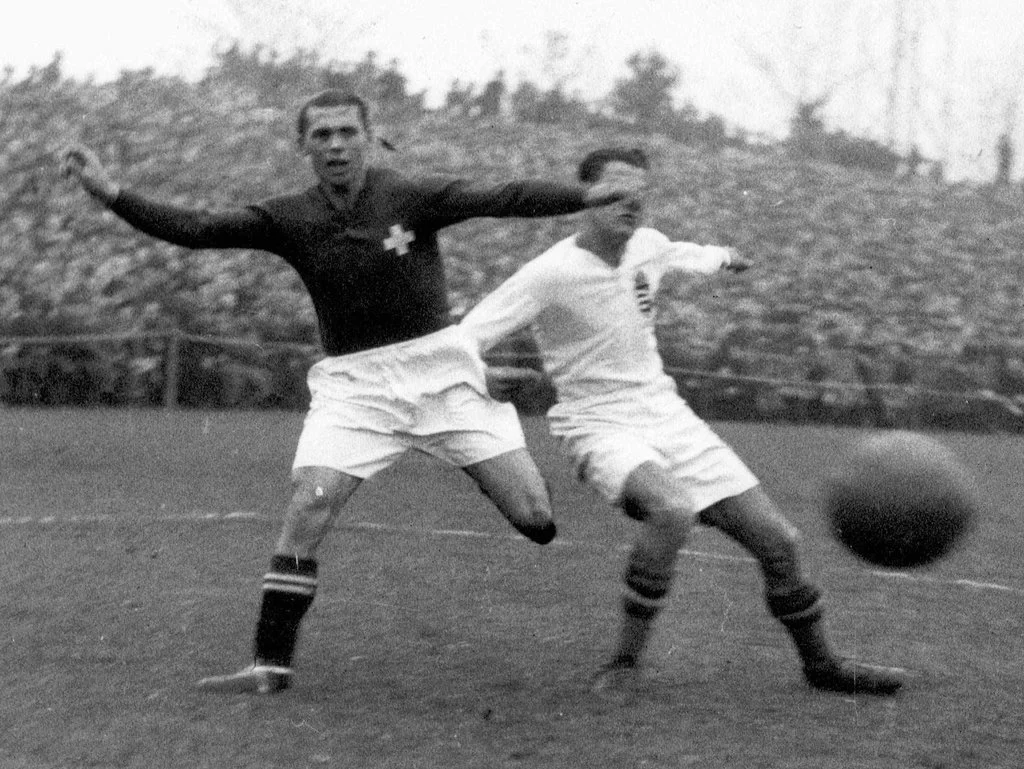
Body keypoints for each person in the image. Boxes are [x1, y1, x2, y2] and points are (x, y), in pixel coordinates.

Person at [61, 89, 634, 695]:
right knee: (310, 502)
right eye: (322, 135)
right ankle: (268, 666)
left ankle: (494, 427)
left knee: (537, 519)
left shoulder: (410, 196)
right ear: (303, 146)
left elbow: (503, 196)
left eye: (346, 132)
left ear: (368, 136)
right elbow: (197, 229)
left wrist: (582, 196)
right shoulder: (289, 217)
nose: (335, 145)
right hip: (356, 391)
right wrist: (112, 193)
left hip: (442, 377)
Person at [461, 147, 904, 696]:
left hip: (668, 415)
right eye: (616, 193)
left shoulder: (647, 244)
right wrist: (484, 374)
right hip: (598, 423)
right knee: (671, 511)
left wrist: (723, 257)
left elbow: (681, 253)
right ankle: (624, 664)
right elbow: (466, 335)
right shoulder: (550, 273)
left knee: (780, 542)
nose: (630, 203)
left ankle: (823, 666)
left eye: (639, 194)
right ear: (585, 199)